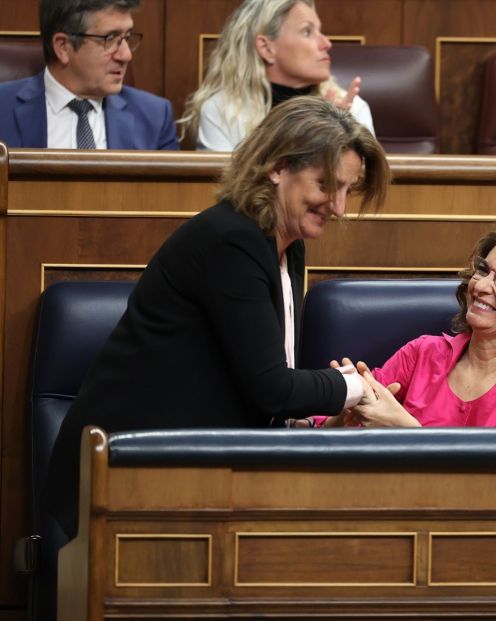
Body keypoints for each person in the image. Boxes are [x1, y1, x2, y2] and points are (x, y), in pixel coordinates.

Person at [43, 96, 389, 539]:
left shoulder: (286, 244)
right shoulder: (231, 240)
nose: (339, 207)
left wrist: (302, 422)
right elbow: (271, 387)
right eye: (326, 185)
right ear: (277, 167)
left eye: (348, 189)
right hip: (122, 480)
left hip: (191, 473)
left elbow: (247, 384)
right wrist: (356, 387)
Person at [316, 222, 496, 428]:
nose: (481, 285)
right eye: (482, 270)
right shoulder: (422, 354)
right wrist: (341, 418)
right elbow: (333, 423)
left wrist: (404, 430)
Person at [179, 0, 373, 151]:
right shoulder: (222, 111)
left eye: (320, 31)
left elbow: (364, 190)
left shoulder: (351, 109)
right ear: (266, 47)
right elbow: (222, 193)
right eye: (307, 32)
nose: (326, 43)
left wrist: (340, 133)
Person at [0, 0, 178, 150]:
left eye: (127, 37)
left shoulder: (155, 118)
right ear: (63, 46)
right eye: (110, 38)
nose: (126, 55)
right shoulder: (3, 108)